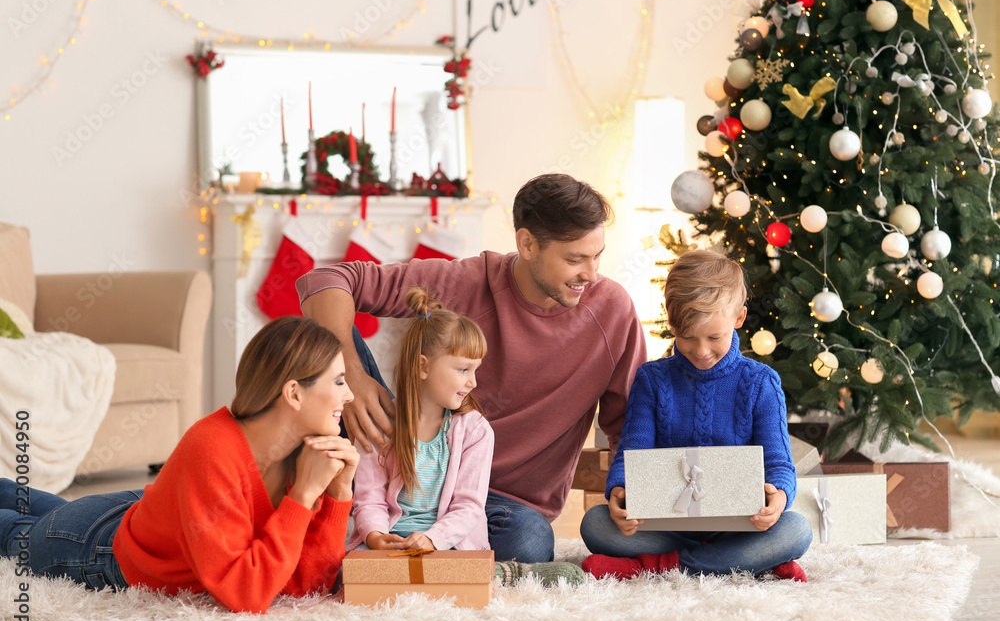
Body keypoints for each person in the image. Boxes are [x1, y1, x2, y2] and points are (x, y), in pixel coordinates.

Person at [298, 173, 647, 563]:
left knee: (530, 545)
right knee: (319, 343)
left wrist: (626, 491)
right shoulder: (466, 282)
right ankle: (356, 519)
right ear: (527, 243)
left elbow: (630, 421)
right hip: (405, 475)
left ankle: (389, 541)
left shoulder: (612, 311)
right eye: (574, 259)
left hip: (502, 506)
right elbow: (325, 280)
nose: (591, 274)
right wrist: (352, 379)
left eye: (597, 255)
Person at [0, 316, 359, 613]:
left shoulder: (307, 454)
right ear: (294, 393)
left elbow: (307, 585)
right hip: (100, 548)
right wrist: (305, 495)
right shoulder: (212, 447)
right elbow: (246, 596)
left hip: (155, 516)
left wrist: (340, 493)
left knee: (46, 514)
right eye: (339, 381)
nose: (350, 395)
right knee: (19, 533)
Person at [579, 250, 812, 582]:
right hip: (668, 525)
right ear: (671, 323)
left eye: (714, 337)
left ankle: (655, 566)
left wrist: (779, 499)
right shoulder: (651, 380)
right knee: (596, 524)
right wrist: (619, 490)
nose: (701, 351)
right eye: (686, 336)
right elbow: (633, 453)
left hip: (739, 526)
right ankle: (749, 563)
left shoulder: (762, 383)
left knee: (796, 531)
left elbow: (779, 464)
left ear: (739, 317)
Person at [347, 288, 583, 586]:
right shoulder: (380, 424)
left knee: (511, 547)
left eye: (475, 370)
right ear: (423, 366)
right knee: (345, 573)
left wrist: (432, 539)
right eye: (463, 369)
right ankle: (495, 576)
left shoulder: (475, 430)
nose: (472, 382)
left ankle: (496, 572)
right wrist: (376, 536)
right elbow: (368, 500)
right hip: (390, 545)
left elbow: (468, 506)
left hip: (448, 545)